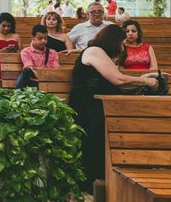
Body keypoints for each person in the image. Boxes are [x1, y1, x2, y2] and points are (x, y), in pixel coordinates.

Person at [69, 25, 160, 192]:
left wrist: (143, 78)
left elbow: (118, 83)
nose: (122, 47)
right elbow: (118, 79)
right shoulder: (94, 51)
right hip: (87, 105)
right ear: (113, 40)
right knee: (99, 134)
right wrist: (145, 81)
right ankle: (93, 180)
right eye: (122, 42)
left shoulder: (103, 55)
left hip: (99, 103)